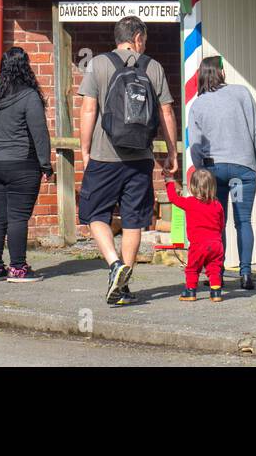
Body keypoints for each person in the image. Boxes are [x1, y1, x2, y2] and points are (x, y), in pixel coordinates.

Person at [77, 16, 178, 306]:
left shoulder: (99, 64)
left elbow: (88, 110)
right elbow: (166, 112)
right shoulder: (153, 67)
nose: (144, 46)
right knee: (134, 219)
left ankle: (113, 264)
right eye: (143, 40)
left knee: (95, 213)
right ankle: (123, 285)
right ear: (136, 38)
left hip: (104, 155)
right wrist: (171, 151)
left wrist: (85, 150)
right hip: (141, 157)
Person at [187, 55, 256, 290]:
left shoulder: (198, 104)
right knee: (243, 221)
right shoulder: (241, 93)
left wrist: (200, 169)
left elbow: (196, 143)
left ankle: (216, 273)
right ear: (220, 72)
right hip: (241, 171)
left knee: (216, 223)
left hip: (214, 173)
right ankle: (246, 273)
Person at [0, 47, 53, 282]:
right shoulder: (29, 95)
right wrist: (45, 165)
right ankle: (18, 269)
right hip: (21, 164)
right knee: (18, 218)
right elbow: (39, 134)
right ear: (26, 67)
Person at [165, 168, 224, 302]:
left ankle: (190, 291)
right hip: (216, 244)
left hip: (198, 244)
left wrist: (169, 181)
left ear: (192, 187)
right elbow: (221, 224)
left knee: (192, 268)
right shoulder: (217, 205)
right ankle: (215, 292)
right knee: (214, 268)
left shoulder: (190, 202)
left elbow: (173, 198)